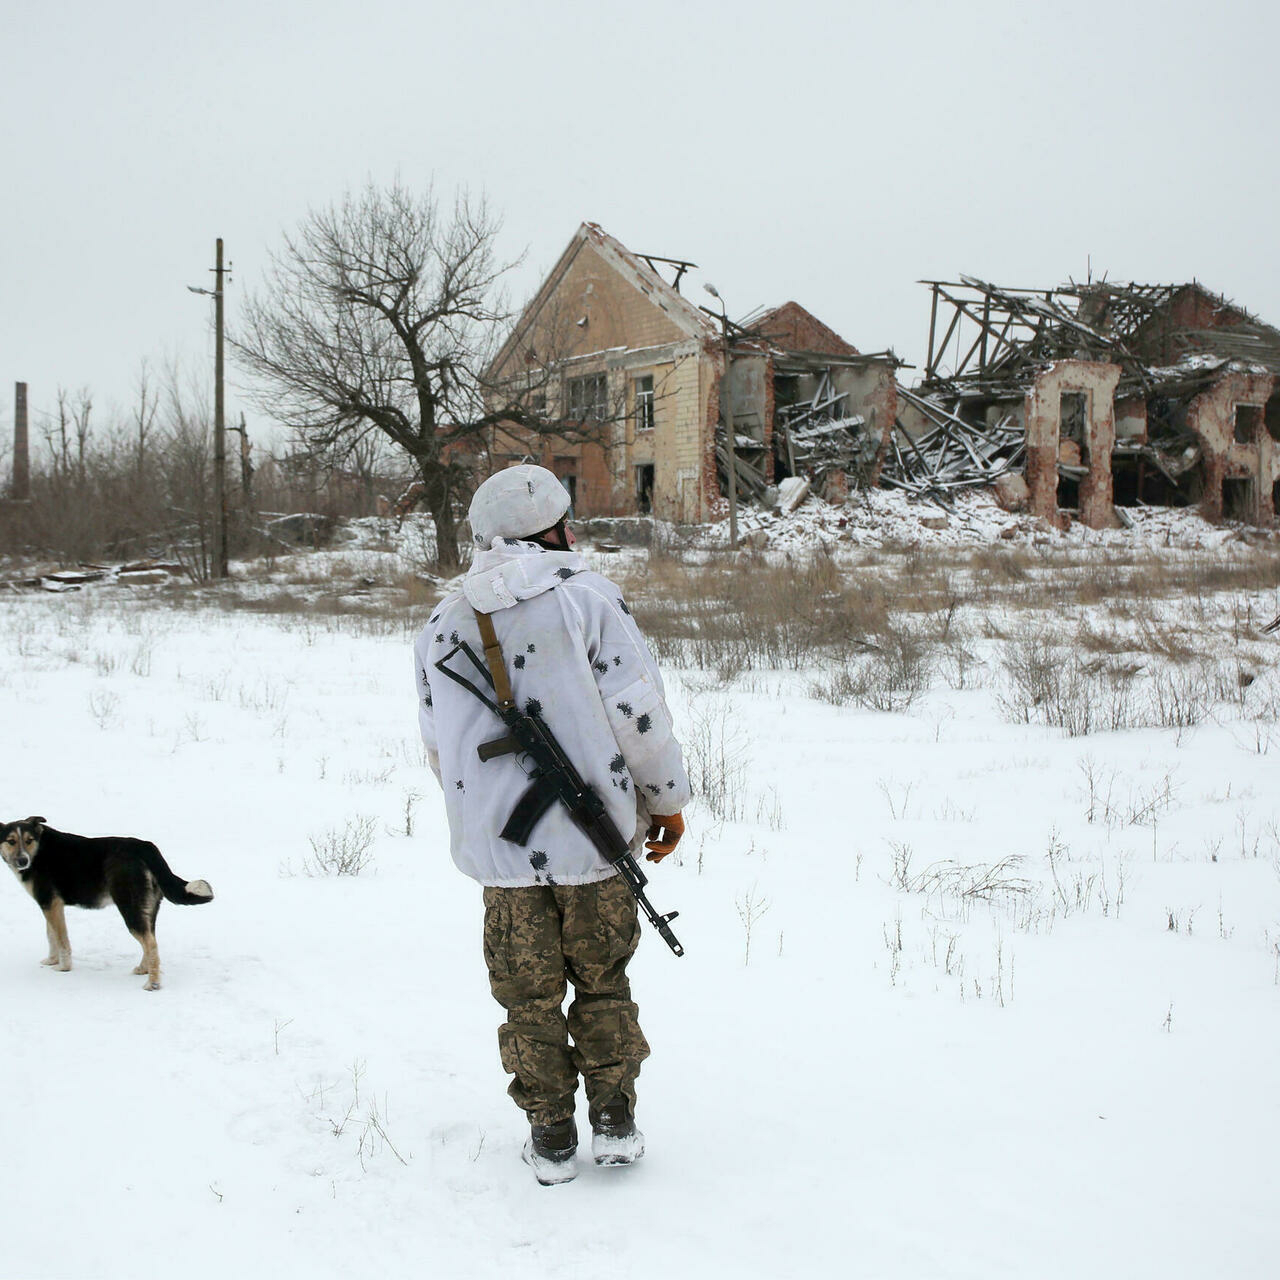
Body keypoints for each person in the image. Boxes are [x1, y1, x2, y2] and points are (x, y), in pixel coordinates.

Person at [414, 464, 690, 1186]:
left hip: (503, 861)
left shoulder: (440, 623)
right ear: (553, 530)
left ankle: (550, 1130)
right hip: (594, 848)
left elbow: (438, 747)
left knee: (524, 997)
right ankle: (615, 1120)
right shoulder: (587, 601)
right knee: (603, 982)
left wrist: (484, 820)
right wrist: (665, 801)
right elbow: (639, 717)